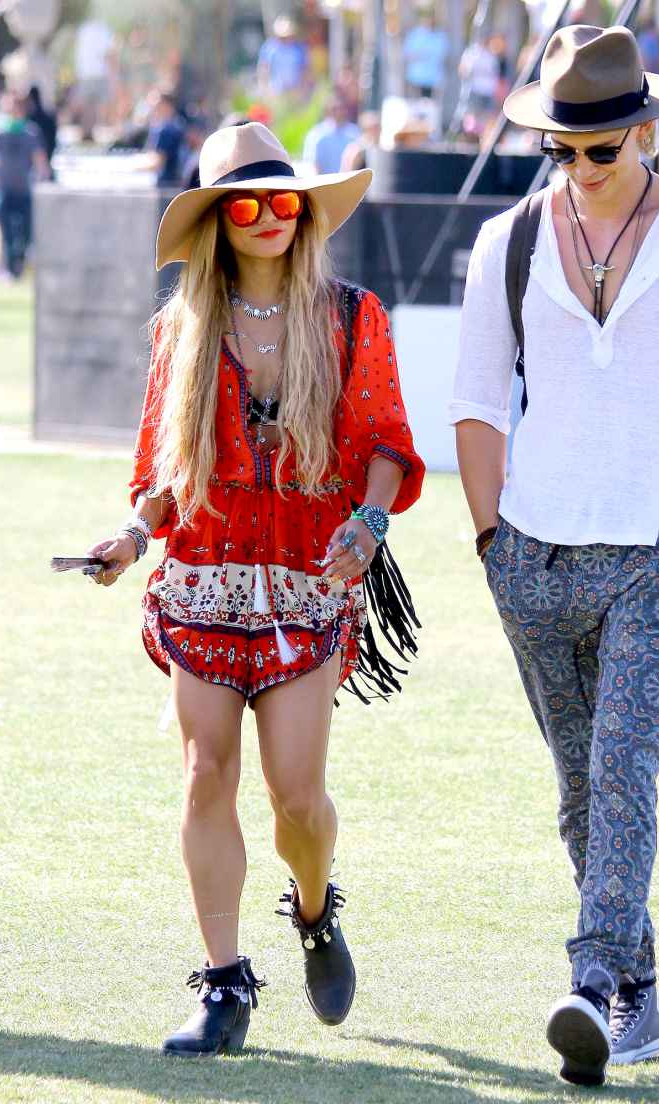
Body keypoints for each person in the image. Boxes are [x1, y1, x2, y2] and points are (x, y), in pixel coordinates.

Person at [452, 25, 659, 1086]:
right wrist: (491, 539)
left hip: (654, 552)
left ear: (646, 128)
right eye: (563, 148)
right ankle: (640, 995)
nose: (582, 167)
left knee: (625, 771)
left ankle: (590, 984)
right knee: (579, 793)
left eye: (601, 146)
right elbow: (476, 401)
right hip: (532, 556)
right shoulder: (505, 241)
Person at [85, 122, 423, 1054]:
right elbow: (163, 469)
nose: (272, 217)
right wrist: (134, 535)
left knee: (299, 798)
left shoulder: (353, 316)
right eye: (247, 204)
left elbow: (389, 440)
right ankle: (225, 985)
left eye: (286, 201)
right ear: (218, 223)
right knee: (205, 776)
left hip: (311, 577)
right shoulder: (181, 329)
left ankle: (314, 911)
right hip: (203, 575)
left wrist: (371, 520)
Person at [0, 92, 49, 279]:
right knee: (5, 231)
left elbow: (40, 161)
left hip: (24, 189)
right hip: (3, 189)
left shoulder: (30, 132)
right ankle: (7, 270)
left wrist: (42, 181)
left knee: (25, 232)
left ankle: (20, 265)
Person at [302, 98, 360, 175]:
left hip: (349, 181)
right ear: (327, 111)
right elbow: (312, 162)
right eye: (334, 109)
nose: (339, 112)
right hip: (324, 182)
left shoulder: (354, 132)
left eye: (341, 109)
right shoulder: (316, 134)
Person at [257, 16, 310, 99]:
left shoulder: (299, 48)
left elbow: (305, 71)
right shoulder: (269, 47)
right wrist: (265, 90)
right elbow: (263, 69)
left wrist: (303, 91)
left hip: (295, 92)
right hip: (275, 92)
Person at [403, 10, 449, 100]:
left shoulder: (441, 36)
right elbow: (408, 53)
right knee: (415, 104)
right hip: (416, 78)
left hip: (433, 79)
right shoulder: (416, 34)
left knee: (429, 105)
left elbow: (443, 55)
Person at [144, 90, 186, 188]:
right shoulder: (179, 124)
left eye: (156, 103)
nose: (152, 107)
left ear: (166, 105)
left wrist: (129, 167)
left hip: (167, 186)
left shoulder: (165, 130)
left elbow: (157, 162)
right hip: (178, 183)